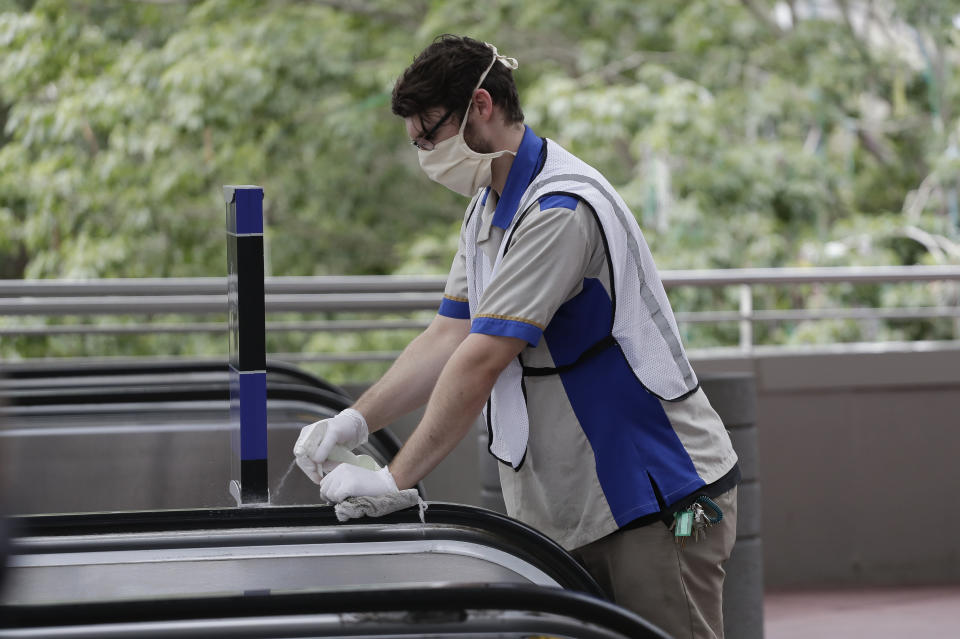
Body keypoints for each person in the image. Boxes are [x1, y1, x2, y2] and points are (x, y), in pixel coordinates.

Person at [294, 35, 740, 639]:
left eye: (431, 136)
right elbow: (448, 334)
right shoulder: (488, 210)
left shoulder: (559, 208)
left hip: (654, 500)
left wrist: (393, 480)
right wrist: (354, 421)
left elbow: (480, 360)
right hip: (567, 511)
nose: (427, 156)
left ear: (480, 105)